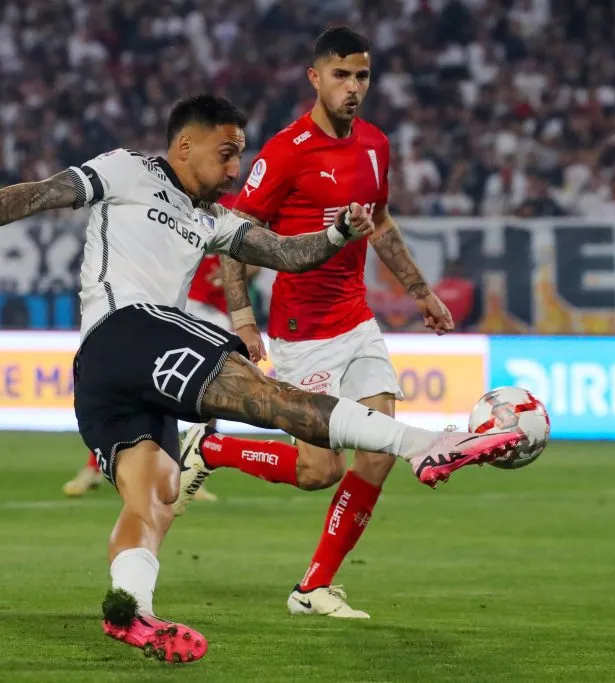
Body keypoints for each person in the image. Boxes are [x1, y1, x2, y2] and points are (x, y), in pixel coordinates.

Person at [0, 94, 524, 665]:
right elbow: (44, 193)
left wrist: (340, 233)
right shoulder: (126, 170)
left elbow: (286, 252)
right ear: (185, 146)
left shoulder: (212, 220)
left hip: (111, 377)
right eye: (227, 152)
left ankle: (134, 613)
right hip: (127, 328)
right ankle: (428, 445)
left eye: (240, 154)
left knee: (154, 493)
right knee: (272, 400)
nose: (236, 168)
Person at [174, 27, 455, 619]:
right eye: (341, 76)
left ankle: (313, 587)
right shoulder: (286, 151)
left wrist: (419, 289)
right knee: (317, 470)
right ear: (315, 78)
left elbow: (380, 223)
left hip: (357, 318)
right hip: (303, 332)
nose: (354, 88)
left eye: (363, 76)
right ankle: (213, 448)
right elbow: (233, 239)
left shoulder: (376, 144)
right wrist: (244, 320)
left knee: (377, 452)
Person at [61, 192, 253, 501]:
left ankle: (194, 470)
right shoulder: (172, 197)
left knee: (209, 391)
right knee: (146, 385)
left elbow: (251, 257)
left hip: (215, 310)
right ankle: (95, 465)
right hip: (177, 303)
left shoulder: (237, 206)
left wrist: (232, 275)